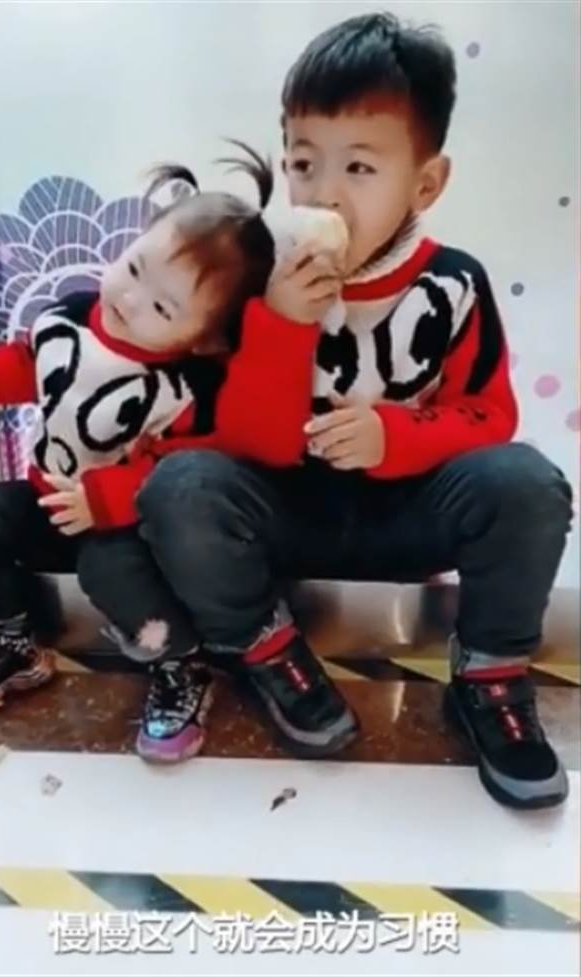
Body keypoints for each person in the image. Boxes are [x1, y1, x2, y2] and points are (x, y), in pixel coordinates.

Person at [135, 14, 573, 807]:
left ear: (425, 184)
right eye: (304, 163)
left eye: (360, 167)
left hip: (407, 515)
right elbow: (244, 442)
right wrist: (280, 323)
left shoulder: (453, 285)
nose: (324, 193)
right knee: (182, 485)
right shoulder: (254, 277)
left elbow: (489, 418)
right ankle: (266, 652)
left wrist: (391, 435)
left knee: (526, 482)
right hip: (288, 516)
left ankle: (489, 676)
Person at [0, 144, 284, 764]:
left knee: (112, 572)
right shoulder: (71, 316)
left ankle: (180, 667)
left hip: (124, 526)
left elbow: (180, 469)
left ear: (208, 339)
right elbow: (30, 364)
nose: (131, 299)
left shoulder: (185, 388)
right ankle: (11, 643)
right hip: (46, 496)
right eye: (135, 267)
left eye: (164, 306)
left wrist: (106, 500)